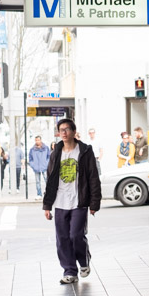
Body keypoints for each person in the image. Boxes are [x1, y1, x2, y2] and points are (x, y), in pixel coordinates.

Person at [42, 118, 101, 284]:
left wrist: (94, 203)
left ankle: (83, 261)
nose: (64, 133)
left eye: (67, 129)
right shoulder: (56, 153)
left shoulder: (84, 151)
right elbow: (50, 180)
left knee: (76, 235)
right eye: (61, 130)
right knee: (62, 238)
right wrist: (47, 205)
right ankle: (69, 270)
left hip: (79, 201)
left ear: (74, 132)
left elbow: (93, 178)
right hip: (60, 202)